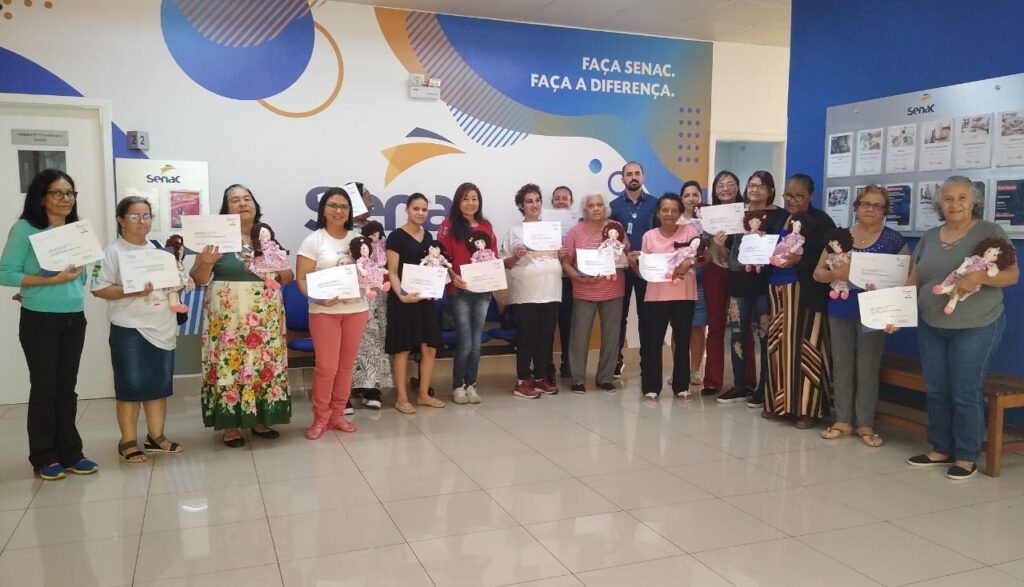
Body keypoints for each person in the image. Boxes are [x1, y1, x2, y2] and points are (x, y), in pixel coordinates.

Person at [906, 176, 1018, 480]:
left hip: (977, 325)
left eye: (962, 198)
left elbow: (1011, 275)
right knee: (937, 390)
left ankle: (967, 456)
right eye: (948, 199)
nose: (955, 204)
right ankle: (940, 449)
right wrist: (892, 311)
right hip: (932, 323)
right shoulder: (930, 237)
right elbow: (914, 279)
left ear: (973, 202)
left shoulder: (990, 232)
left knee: (964, 391)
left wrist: (978, 277)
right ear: (939, 204)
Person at [0, 169, 98, 480]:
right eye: (57, 193)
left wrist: (61, 282)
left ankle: (71, 452)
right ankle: (44, 455)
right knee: (45, 387)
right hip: (40, 319)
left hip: (74, 317)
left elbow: (79, 277)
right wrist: (46, 282)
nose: (66, 199)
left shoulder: (76, 230)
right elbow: (5, 273)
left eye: (70, 193)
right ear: (41, 198)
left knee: (66, 388)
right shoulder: (24, 229)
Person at [190, 184, 292, 447]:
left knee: (262, 364)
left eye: (247, 199)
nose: (243, 203)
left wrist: (279, 268)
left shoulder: (267, 237)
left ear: (255, 205)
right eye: (235, 200)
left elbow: (287, 278)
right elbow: (198, 278)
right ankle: (231, 425)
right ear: (226, 209)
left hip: (265, 316)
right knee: (231, 364)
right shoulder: (214, 238)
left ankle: (262, 419)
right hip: (228, 317)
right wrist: (207, 262)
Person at [813, 185, 908, 447]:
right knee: (842, 364)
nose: (870, 209)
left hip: (875, 310)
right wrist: (835, 274)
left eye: (877, 205)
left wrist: (895, 310)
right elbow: (817, 273)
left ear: (885, 211)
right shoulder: (839, 237)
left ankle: (865, 423)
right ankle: (842, 420)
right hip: (841, 306)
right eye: (865, 203)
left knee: (868, 366)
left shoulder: (894, 240)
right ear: (856, 207)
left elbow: (906, 278)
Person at [92, 196, 183, 463]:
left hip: (162, 326)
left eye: (146, 216)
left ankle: (156, 437)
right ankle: (128, 441)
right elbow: (99, 289)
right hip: (130, 329)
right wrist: (129, 290)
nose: (142, 221)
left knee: (158, 384)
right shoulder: (111, 252)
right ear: (121, 220)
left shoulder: (159, 250)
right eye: (134, 216)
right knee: (130, 386)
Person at [295, 187, 369, 439]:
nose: (338, 210)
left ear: (350, 211)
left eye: (344, 206)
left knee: (346, 367)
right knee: (326, 368)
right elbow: (301, 279)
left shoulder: (358, 240)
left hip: (356, 310)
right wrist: (317, 297)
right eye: (333, 205)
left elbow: (369, 272)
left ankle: (337, 415)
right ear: (323, 210)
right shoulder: (313, 240)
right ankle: (320, 417)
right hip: (323, 312)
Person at [763, 173, 836, 427]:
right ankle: (780, 405)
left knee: (808, 349)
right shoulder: (780, 219)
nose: (792, 201)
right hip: (777, 293)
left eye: (799, 196)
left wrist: (800, 259)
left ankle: (808, 409)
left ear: (811, 195)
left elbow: (830, 257)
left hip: (806, 294)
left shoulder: (822, 221)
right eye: (788, 195)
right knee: (778, 348)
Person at [716, 171, 786, 406]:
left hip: (765, 283)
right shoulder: (737, 214)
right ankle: (740, 385)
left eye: (761, 186)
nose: (754, 189)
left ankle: (763, 388)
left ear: (771, 191)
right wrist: (719, 245)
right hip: (738, 282)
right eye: (751, 185)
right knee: (736, 334)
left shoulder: (781, 217)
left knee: (765, 335)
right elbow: (727, 253)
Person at [627, 193, 698, 400]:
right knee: (653, 341)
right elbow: (644, 272)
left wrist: (689, 263)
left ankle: (681, 385)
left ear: (680, 213)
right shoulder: (649, 236)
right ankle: (651, 386)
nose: (669, 214)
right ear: (658, 213)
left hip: (684, 293)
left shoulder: (690, 232)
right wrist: (633, 264)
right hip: (656, 294)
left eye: (674, 210)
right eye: (665, 210)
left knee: (682, 340)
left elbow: (698, 257)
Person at [503, 184, 567, 398]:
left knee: (545, 338)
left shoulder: (552, 230)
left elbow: (559, 258)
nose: (534, 205)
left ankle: (540, 378)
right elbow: (505, 263)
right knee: (527, 337)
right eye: (529, 201)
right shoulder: (514, 231)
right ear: (521, 205)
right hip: (526, 293)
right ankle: (522, 381)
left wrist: (563, 254)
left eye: (537, 200)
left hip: (551, 290)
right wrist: (516, 256)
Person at [385, 193, 448, 414]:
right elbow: (392, 272)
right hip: (402, 301)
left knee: (429, 347)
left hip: (425, 301)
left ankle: (423, 395)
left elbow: (433, 268)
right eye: (416, 209)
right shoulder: (395, 237)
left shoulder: (429, 237)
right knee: (402, 350)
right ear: (407, 210)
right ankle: (401, 399)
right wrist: (402, 294)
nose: (420, 213)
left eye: (424, 209)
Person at [437, 182, 497, 405]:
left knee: (476, 342)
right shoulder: (448, 225)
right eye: (465, 198)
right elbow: (441, 258)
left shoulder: (486, 225)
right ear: (457, 201)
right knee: (465, 340)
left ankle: (471, 384)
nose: (470, 203)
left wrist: (493, 277)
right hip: (459, 290)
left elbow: (493, 256)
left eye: (474, 198)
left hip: (482, 291)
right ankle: (458, 386)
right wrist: (453, 277)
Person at [562, 193, 627, 393]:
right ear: (585, 210)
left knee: (612, 336)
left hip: (613, 289)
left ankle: (605, 377)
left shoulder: (616, 227)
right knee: (579, 336)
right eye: (591, 205)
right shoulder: (575, 232)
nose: (596, 208)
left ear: (605, 207)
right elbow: (566, 263)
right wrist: (580, 279)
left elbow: (624, 254)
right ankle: (578, 379)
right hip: (583, 290)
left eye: (599, 205)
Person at [701, 171, 756, 397]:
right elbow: (708, 251)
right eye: (720, 185)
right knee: (715, 326)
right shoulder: (708, 215)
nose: (725, 188)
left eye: (730, 184)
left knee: (742, 326)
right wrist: (717, 245)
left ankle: (747, 380)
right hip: (715, 272)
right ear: (715, 190)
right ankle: (713, 381)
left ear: (738, 187)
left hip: (741, 274)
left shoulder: (748, 213)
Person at [609, 161, 657, 377]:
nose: (633, 177)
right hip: (621, 269)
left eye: (637, 173)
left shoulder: (655, 204)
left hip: (647, 269)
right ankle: (615, 361)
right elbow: (608, 241)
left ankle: (647, 362)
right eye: (629, 174)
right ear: (622, 179)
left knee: (647, 317)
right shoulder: (613, 206)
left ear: (643, 177)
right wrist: (624, 257)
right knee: (618, 317)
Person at [350, 219, 392, 410]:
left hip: (379, 296)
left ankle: (372, 387)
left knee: (376, 340)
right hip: (355, 295)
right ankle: (350, 388)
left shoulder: (380, 237)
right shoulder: (347, 234)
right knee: (357, 341)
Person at [680, 180, 709, 387]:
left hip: (701, 277)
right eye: (687, 195)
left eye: (695, 195)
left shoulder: (708, 221)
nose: (691, 199)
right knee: (679, 326)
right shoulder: (675, 220)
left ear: (701, 197)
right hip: (680, 278)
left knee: (698, 326)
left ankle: (695, 370)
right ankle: (679, 370)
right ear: (681, 199)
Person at [549, 185, 576, 380]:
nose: (560, 202)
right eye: (557, 198)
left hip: (569, 279)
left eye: (564, 198)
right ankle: (546, 365)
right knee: (548, 324)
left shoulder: (579, 223)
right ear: (552, 203)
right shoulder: (542, 223)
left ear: (571, 202)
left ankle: (568, 363)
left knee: (568, 323)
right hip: (549, 278)